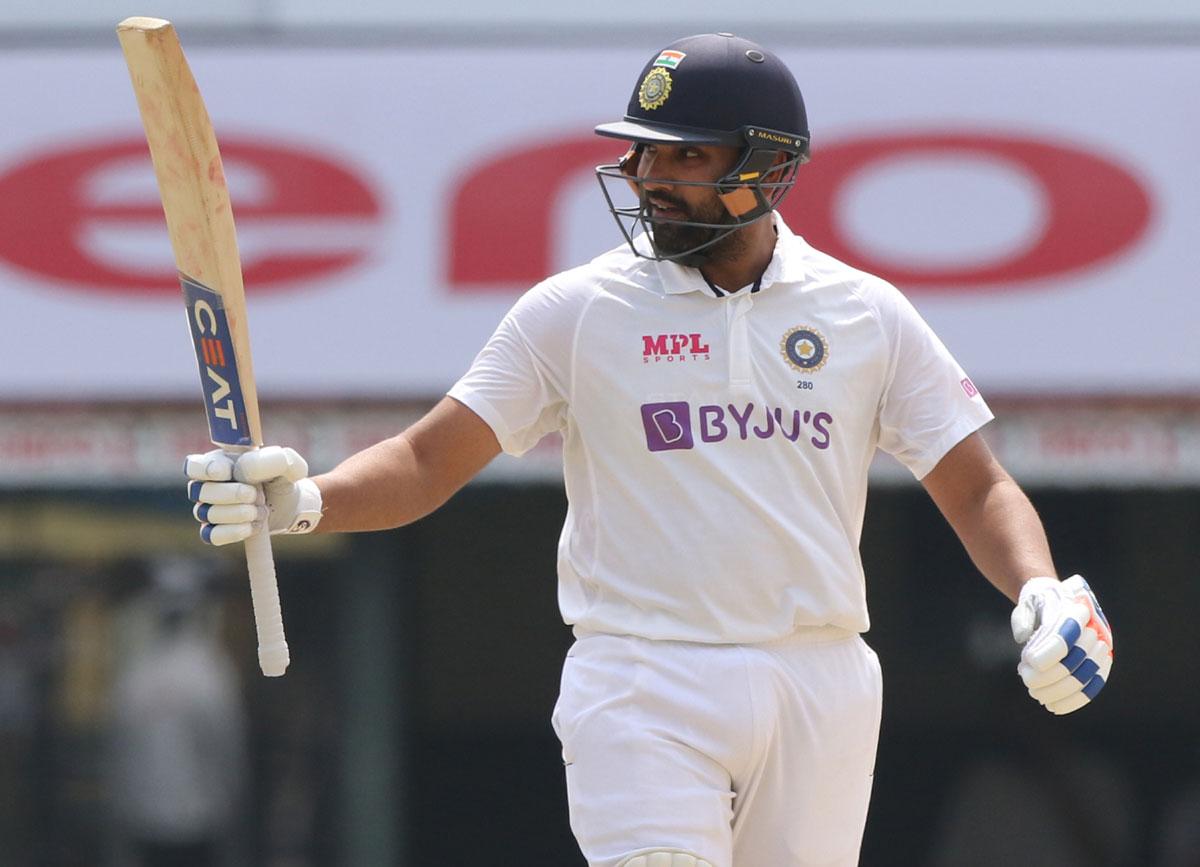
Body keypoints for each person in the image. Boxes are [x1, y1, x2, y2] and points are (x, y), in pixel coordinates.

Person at [183, 33, 1114, 867]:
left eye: (685, 155)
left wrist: (1039, 586)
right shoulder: (576, 312)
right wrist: (302, 501)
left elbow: (977, 483)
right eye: (642, 151)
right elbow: (429, 461)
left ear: (768, 167)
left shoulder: (864, 313)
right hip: (642, 677)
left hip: (821, 682)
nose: (647, 175)